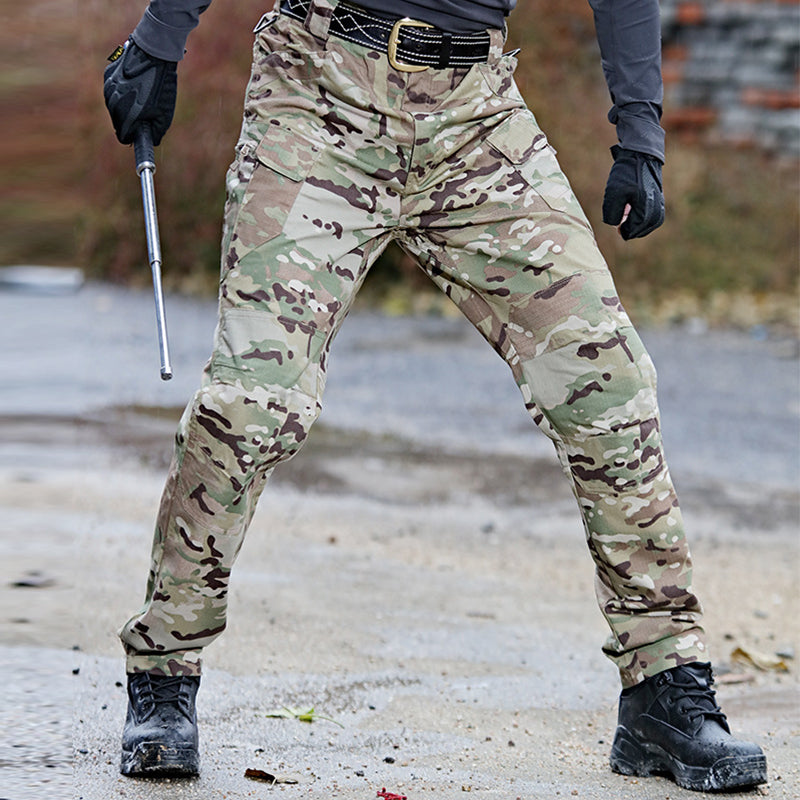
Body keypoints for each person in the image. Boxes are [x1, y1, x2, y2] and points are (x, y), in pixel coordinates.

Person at [103, 0, 767, 792]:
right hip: (321, 98)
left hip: (475, 117)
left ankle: (666, 688)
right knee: (252, 403)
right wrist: (159, 39)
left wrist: (641, 133)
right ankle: (165, 674)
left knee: (609, 385)